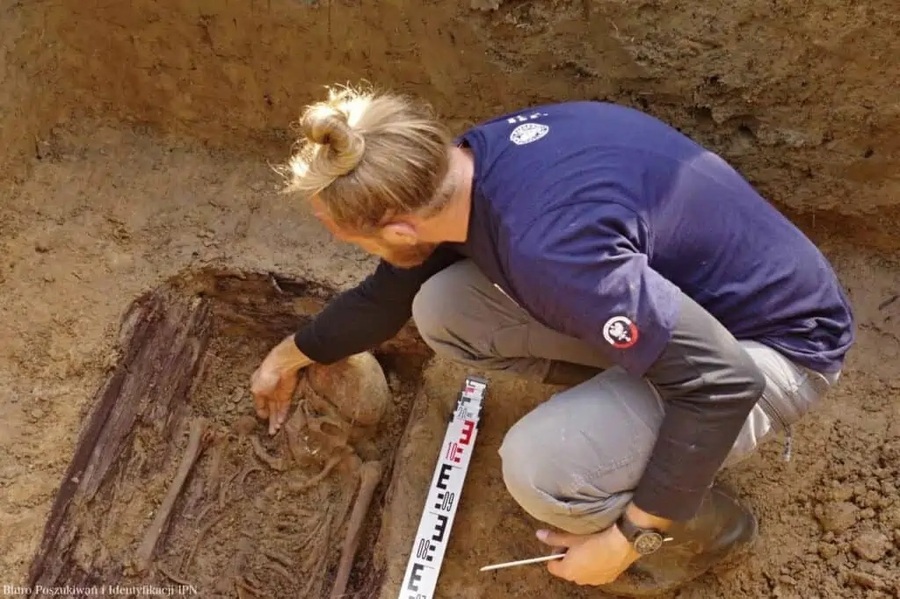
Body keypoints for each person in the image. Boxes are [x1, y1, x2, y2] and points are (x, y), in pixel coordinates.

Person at [249, 84, 854, 595]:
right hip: (692, 308)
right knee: (443, 306)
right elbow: (389, 293)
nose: (369, 255)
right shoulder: (468, 164)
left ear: (402, 226)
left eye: (360, 241)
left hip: (775, 347)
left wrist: (630, 537)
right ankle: (630, 405)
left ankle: (713, 529)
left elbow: (723, 383)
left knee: (542, 470)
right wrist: (293, 352)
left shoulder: (551, 252)